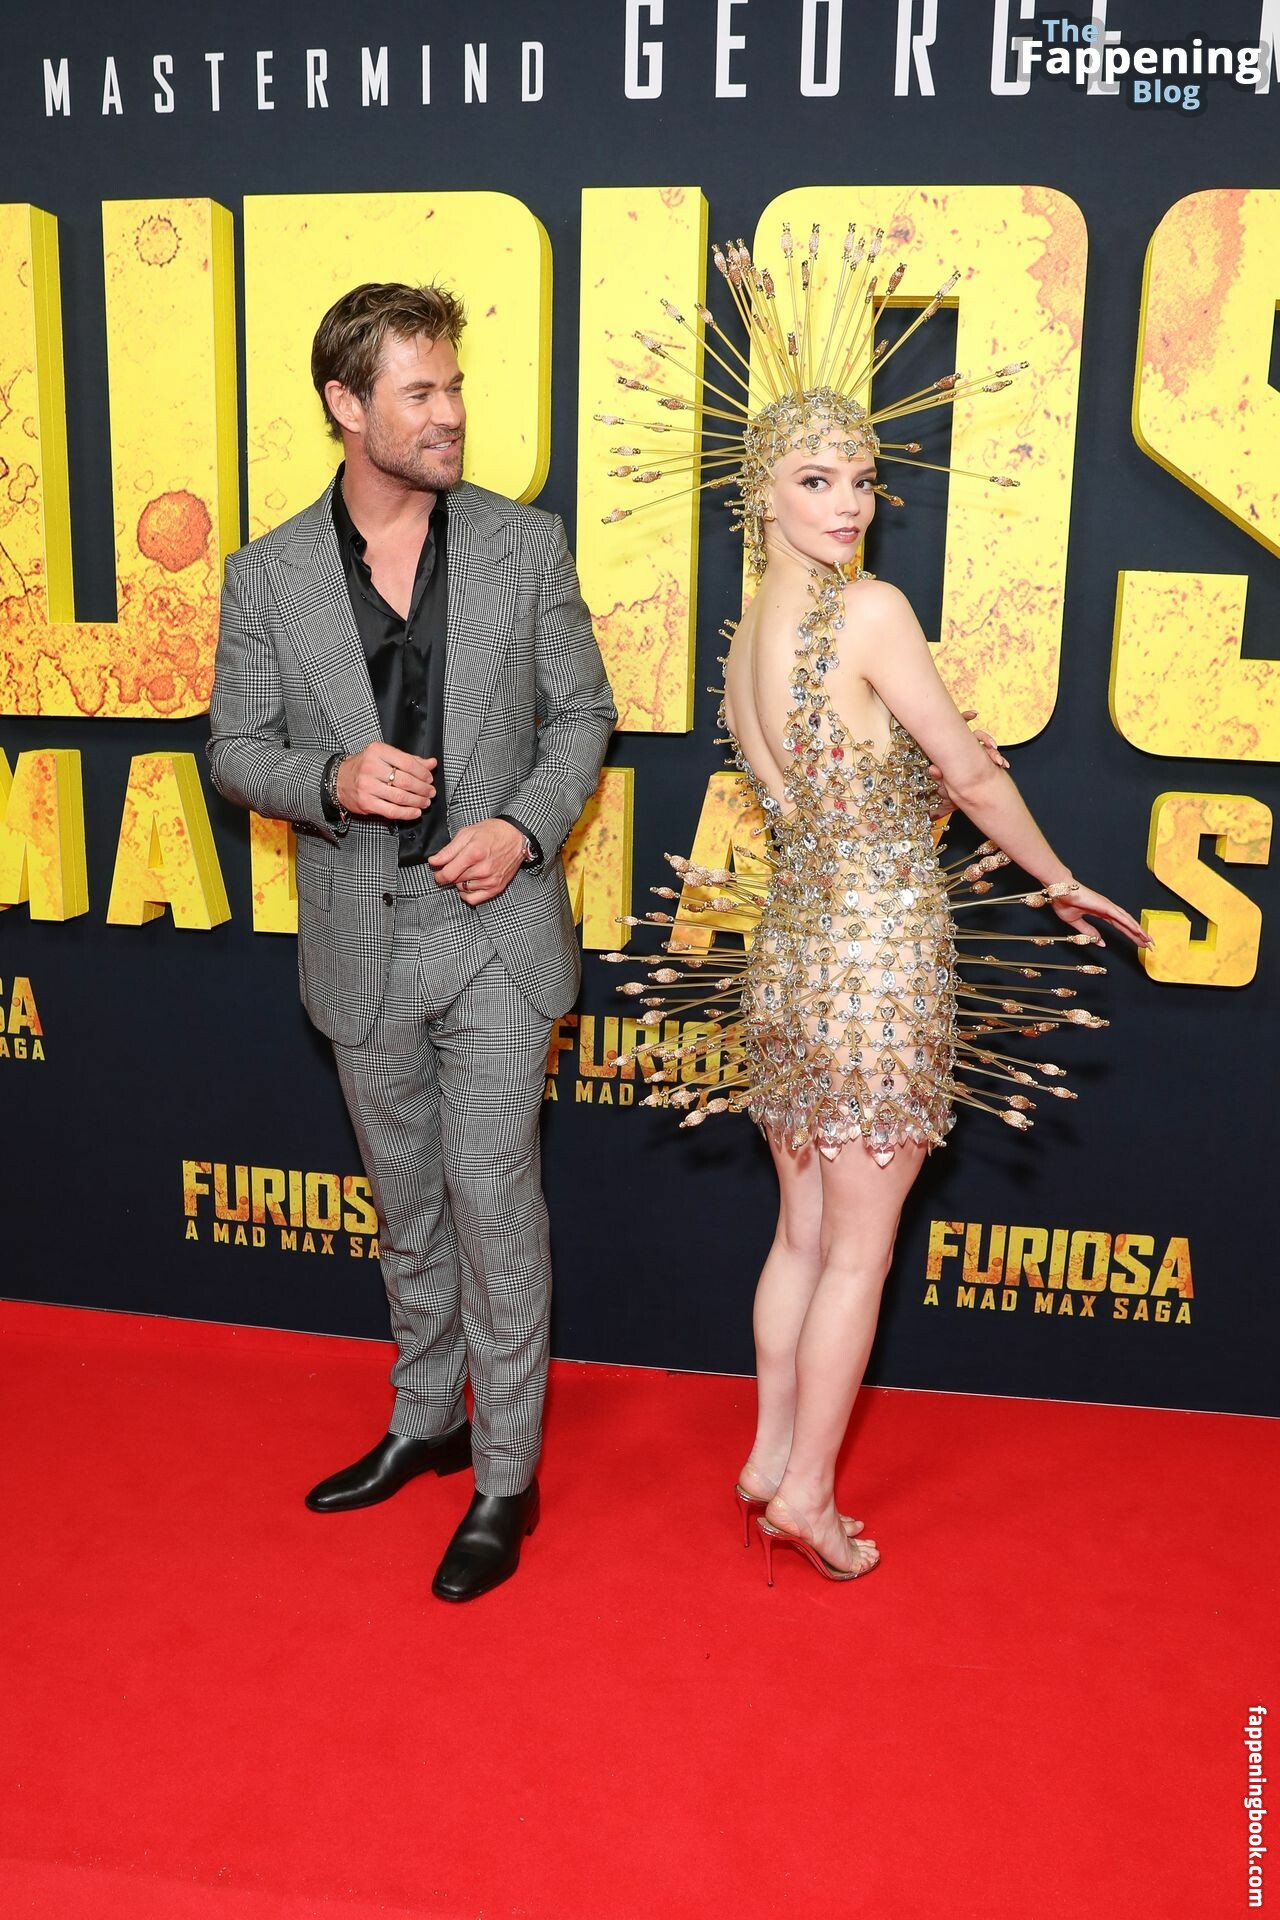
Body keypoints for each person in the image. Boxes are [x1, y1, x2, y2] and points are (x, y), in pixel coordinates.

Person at [603, 226, 1150, 1586]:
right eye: (816, 480)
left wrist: (925, 798)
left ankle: (766, 1454)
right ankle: (807, 1494)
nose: (847, 503)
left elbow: (836, 792)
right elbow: (969, 772)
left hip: (791, 953)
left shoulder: (747, 635)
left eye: (861, 479)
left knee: (801, 1229)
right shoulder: (872, 615)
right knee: (858, 1250)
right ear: (761, 487)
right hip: (880, 960)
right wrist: (1059, 878)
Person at [208, 281, 616, 1602]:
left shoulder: (524, 544)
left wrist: (524, 828)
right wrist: (328, 779)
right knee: (408, 1202)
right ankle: (427, 1416)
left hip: (497, 932)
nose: (449, 414)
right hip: (363, 942)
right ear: (348, 404)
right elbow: (233, 751)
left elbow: (583, 714)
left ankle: (506, 1473)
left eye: (453, 388)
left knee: (492, 1193)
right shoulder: (268, 575)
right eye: (419, 392)